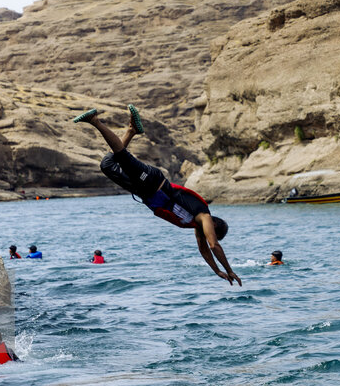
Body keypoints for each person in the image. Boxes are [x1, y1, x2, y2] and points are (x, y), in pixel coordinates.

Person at [74, 105, 241, 286]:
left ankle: (131, 131)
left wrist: (217, 271)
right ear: (214, 225)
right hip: (154, 182)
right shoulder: (203, 215)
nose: (208, 236)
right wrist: (230, 269)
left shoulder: (197, 226)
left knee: (107, 165)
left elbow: (204, 251)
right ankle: (95, 121)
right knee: (122, 157)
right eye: (212, 233)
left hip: (142, 192)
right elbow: (213, 246)